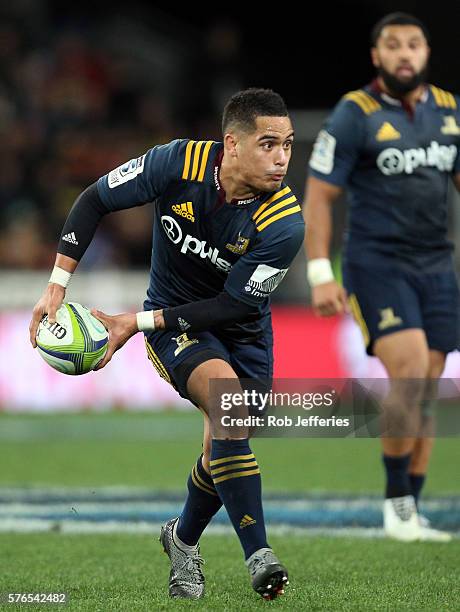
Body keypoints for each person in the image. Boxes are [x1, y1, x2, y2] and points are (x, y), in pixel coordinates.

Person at [29, 88, 304, 598]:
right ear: (233, 145)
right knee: (230, 408)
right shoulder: (179, 162)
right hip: (176, 326)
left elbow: (233, 306)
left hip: (241, 331)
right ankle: (260, 556)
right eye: (269, 144)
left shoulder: (284, 223)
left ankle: (181, 539)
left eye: (287, 145)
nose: (282, 158)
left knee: (224, 444)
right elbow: (95, 199)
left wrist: (134, 321)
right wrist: (56, 284)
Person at [304, 12, 458, 542]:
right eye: (393, 45)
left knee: (429, 386)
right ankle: (395, 507)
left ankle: (411, 508)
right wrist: (322, 272)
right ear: (376, 56)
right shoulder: (355, 113)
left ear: (426, 52)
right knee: (411, 370)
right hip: (376, 265)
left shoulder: (449, 110)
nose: (404, 54)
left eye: (413, 44)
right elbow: (320, 195)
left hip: (437, 266)